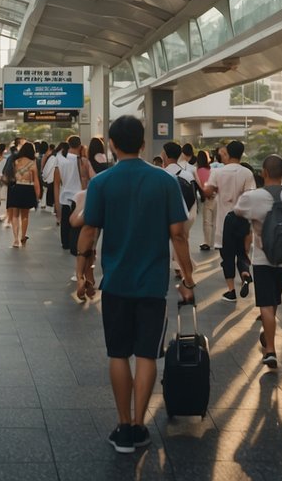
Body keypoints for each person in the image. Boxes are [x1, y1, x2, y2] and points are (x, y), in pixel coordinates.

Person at [77, 116, 195, 455]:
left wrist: (85, 273)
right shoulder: (163, 181)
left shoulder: (101, 183)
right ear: (143, 144)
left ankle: (122, 423)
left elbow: (88, 231)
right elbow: (178, 233)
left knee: (117, 353)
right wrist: (187, 277)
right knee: (146, 354)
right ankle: (140, 425)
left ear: (112, 145)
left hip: (115, 283)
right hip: (152, 285)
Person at [233, 154, 282, 368]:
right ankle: (268, 337)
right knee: (273, 300)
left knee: (266, 303)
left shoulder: (253, 197)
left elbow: (237, 211)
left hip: (262, 258)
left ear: (264, 173)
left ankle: (271, 350)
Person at [205, 140, 257, 302]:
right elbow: (251, 196)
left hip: (224, 221)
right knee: (241, 252)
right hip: (242, 218)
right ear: (241, 154)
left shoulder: (218, 172)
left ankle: (231, 291)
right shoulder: (247, 173)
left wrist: (213, 190)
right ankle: (245, 274)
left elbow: (208, 192)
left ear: (228, 152)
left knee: (227, 257)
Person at [54, 136, 91, 300]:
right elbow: (88, 179)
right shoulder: (83, 160)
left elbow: (56, 183)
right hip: (80, 199)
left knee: (67, 233)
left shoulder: (59, 159)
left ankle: (70, 248)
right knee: (79, 234)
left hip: (64, 198)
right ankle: (79, 261)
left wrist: (56, 204)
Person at [162, 141, 197, 280]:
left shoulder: (161, 174)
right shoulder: (188, 174)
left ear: (165, 155)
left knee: (170, 240)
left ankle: (178, 267)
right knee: (182, 239)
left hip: (167, 214)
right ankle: (183, 269)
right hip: (187, 213)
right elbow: (193, 196)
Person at [6, 143, 40, 248]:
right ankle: (23, 236)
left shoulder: (15, 162)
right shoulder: (32, 163)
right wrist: (37, 195)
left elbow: (10, 175)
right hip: (27, 188)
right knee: (25, 215)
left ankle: (15, 239)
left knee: (15, 215)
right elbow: (36, 181)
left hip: (16, 188)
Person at [194, 150, 215, 251]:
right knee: (215, 221)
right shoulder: (211, 170)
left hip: (208, 196)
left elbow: (202, 185)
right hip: (216, 196)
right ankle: (216, 242)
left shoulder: (198, 170)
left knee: (207, 221)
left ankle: (207, 242)